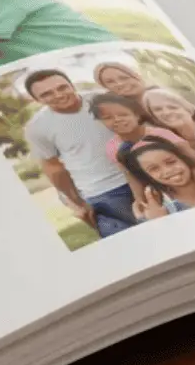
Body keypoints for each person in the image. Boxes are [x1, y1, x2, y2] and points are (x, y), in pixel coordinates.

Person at [20, 69, 137, 238]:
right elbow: (53, 168)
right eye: (47, 94)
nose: (58, 95)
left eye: (62, 87)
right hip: (103, 192)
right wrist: (77, 202)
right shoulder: (37, 127)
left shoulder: (102, 99)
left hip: (140, 174)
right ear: (37, 100)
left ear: (71, 84)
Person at [89, 91, 191, 217]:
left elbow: (193, 160)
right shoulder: (113, 147)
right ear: (100, 122)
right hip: (162, 196)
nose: (117, 120)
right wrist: (141, 201)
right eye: (108, 118)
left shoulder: (160, 134)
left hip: (188, 186)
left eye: (123, 114)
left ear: (136, 115)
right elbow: (131, 177)